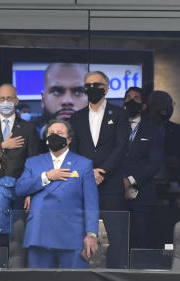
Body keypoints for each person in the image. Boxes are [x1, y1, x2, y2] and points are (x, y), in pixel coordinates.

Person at [15, 119, 99, 269]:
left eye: (59, 133)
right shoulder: (33, 162)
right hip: (40, 232)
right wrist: (46, 176)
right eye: (51, 133)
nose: (54, 135)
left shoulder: (83, 164)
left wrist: (91, 234)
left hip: (72, 234)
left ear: (69, 139)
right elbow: (20, 188)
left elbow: (91, 202)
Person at [69, 70, 131, 267]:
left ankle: (117, 277)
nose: (92, 89)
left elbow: (121, 147)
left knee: (118, 237)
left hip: (111, 185)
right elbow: (74, 150)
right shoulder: (76, 117)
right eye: (88, 85)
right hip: (84, 186)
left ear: (106, 87)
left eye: (96, 85)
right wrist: (88, 174)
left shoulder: (120, 114)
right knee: (80, 235)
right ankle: (78, 279)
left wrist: (102, 171)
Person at [122, 88, 166, 249]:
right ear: (123, 103)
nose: (131, 101)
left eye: (137, 98)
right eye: (128, 97)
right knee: (117, 244)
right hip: (116, 194)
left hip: (142, 196)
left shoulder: (153, 130)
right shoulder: (113, 128)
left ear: (144, 106)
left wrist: (130, 181)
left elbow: (154, 163)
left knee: (140, 243)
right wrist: (120, 182)